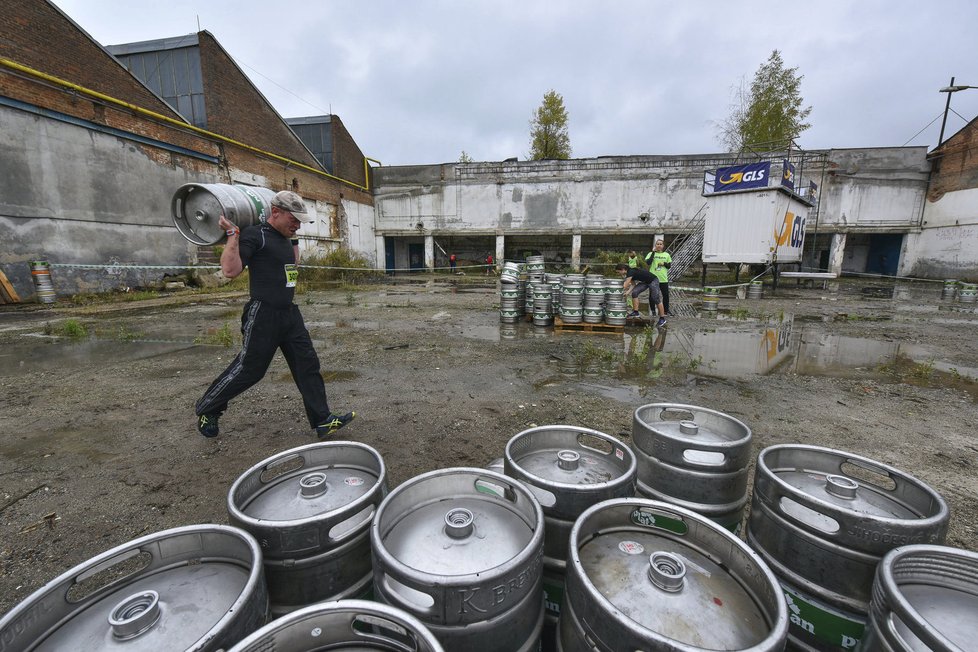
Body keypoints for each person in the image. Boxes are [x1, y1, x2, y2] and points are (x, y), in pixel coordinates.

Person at [195, 190, 355, 439]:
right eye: (294, 220)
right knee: (250, 370)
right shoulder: (254, 235)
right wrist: (232, 235)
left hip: (289, 313)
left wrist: (294, 241)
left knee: (307, 365)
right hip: (263, 314)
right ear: (276, 212)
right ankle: (208, 408)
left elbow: (293, 267)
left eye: (299, 222)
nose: (297, 225)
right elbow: (230, 270)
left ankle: (322, 419)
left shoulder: (285, 238)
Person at [615, 263, 666, 327]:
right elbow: (633, 285)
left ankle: (662, 318)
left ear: (622, 269)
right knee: (634, 293)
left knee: (655, 298)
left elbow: (625, 285)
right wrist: (627, 292)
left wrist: (614, 290)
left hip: (653, 280)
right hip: (645, 282)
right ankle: (636, 312)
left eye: (618, 272)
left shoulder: (630, 272)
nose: (618, 274)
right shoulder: (629, 273)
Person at [646, 239, 672, 315]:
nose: (659, 245)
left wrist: (664, 263)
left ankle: (666, 310)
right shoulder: (651, 253)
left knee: (666, 295)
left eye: (661, 244)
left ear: (663, 246)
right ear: (655, 245)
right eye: (657, 244)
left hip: (663, 279)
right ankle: (653, 310)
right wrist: (653, 252)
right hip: (653, 278)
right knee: (652, 295)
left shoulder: (666, 255)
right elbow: (648, 262)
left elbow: (669, 266)